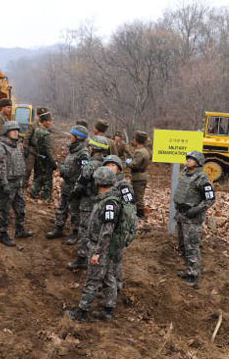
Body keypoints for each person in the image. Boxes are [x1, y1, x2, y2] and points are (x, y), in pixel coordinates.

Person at [66, 166, 122, 322]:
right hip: (107, 247)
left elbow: (107, 231)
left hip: (100, 247)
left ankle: (82, 312)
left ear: (98, 182)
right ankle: (108, 310)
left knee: (93, 279)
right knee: (109, 277)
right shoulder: (108, 200)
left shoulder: (109, 204)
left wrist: (97, 252)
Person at [173, 151, 216, 287]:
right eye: (188, 158)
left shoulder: (202, 179)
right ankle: (188, 269)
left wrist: (195, 210)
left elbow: (210, 199)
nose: (188, 160)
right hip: (181, 215)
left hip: (192, 218)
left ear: (198, 162)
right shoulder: (185, 174)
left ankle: (193, 274)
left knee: (192, 246)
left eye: (191, 159)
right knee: (183, 246)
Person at [68, 135, 110, 269]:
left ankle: (82, 258)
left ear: (93, 148)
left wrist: (74, 195)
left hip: (87, 203)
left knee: (85, 230)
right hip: (101, 202)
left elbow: (80, 184)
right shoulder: (107, 164)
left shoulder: (90, 165)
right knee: (99, 231)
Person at [46, 125, 89, 240]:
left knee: (75, 210)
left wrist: (67, 171)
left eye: (72, 135)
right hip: (67, 184)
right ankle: (59, 228)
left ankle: (75, 233)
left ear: (78, 137)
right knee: (62, 207)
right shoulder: (72, 149)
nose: (70, 137)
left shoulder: (83, 153)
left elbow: (84, 171)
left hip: (75, 186)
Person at [0, 121, 32, 246]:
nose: (16, 132)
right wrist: (4, 183)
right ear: (7, 132)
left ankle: (20, 229)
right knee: (4, 209)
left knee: (21, 206)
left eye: (17, 130)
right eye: (13, 130)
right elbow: (0, 167)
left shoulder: (17, 145)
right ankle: (3, 234)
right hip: (8, 182)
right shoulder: (1, 146)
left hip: (18, 182)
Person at [103, 154, 136, 293]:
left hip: (118, 228)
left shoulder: (123, 186)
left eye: (113, 165)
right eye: (107, 165)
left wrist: (128, 230)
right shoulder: (103, 182)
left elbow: (129, 209)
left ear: (119, 169)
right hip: (107, 226)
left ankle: (116, 285)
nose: (110, 168)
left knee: (115, 259)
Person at [30, 111, 56, 202]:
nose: (51, 122)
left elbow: (34, 142)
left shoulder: (37, 131)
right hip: (46, 159)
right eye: (49, 121)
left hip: (39, 156)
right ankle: (46, 197)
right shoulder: (46, 134)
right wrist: (53, 162)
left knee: (41, 175)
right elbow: (48, 150)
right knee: (48, 178)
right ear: (45, 122)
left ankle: (34, 190)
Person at [127, 131, 150, 219]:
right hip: (141, 176)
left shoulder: (140, 152)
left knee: (138, 197)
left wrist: (127, 162)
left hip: (139, 177)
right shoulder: (144, 150)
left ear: (137, 140)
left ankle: (141, 216)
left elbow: (134, 165)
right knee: (138, 196)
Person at [23, 107, 49, 185]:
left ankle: (35, 186)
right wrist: (25, 148)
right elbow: (27, 137)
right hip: (32, 150)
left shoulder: (46, 125)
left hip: (40, 151)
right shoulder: (33, 125)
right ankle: (24, 183)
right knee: (28, 168)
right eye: (40, 115)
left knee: (38, 170)